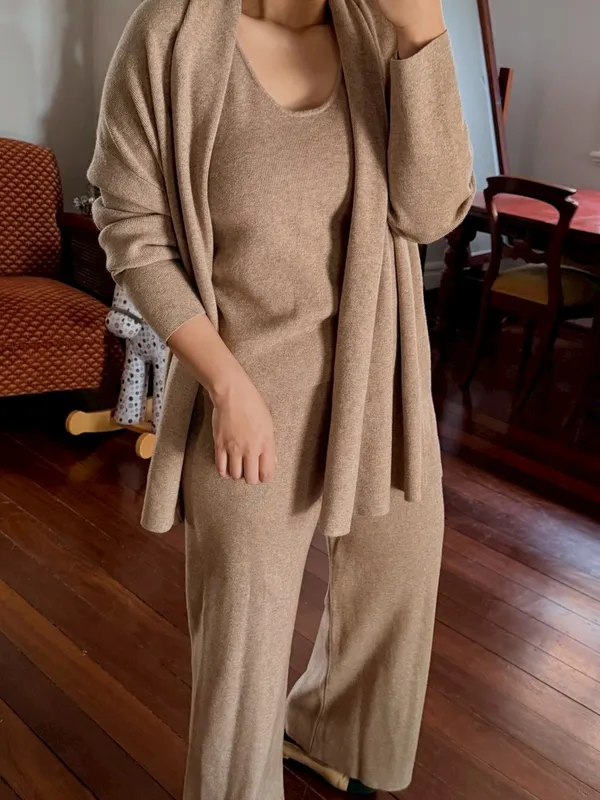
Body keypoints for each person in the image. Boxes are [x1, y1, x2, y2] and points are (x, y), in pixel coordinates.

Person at [89, 0, 474, 797]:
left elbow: (432, 212)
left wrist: (421, 36)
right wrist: (226, 382)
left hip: (382, 368)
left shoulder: (382, 32)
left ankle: (331, 736)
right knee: (244, 637)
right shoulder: (170, 36)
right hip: (249, 382)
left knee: (395, 578)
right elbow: (131, 225)